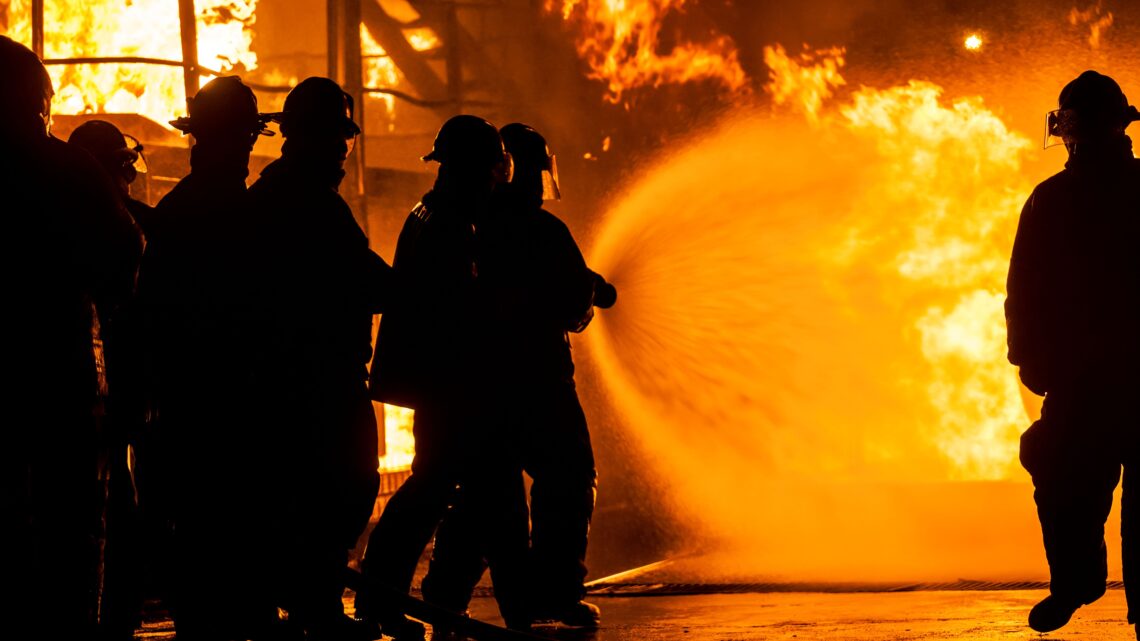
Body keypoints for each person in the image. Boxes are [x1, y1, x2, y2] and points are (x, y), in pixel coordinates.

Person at [421, 123, 616, 628]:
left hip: (478, 385)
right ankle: (556, 591)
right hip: (540, 383)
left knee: (486, 493)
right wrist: (590, 290)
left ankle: (444, 593)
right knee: (569, 479)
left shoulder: (469, 222)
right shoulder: (544, 230)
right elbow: (573, 308)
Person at [355, 115, 529, 638]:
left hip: (444, 383)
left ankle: (404, 597)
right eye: (493, 171)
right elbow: (461, 309)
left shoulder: (431, 214)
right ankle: (505, 608)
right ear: (476, 170)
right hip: (455, 385)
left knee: (440, 489)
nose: (498, 182)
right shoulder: (450, 225)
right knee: (475, 492)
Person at [0, 36, 141, 638]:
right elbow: (123, 256)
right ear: (38, 102)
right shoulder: (67, 170)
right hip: (58, 381)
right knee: (70, 532)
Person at [249, 76, 393, 639]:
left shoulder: (282, 194)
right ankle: (316, 607)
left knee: (311, 491)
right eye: (335, 135)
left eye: (345, 136)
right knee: (344, 484)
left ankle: (302, 600)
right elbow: (364, 279)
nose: (342, 147)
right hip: (318, 377)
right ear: (304, 135)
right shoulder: (307, 202)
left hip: (290, 376)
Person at [137, 75, 278, 640]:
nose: (247, 150)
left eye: (249, 138)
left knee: (213, 525)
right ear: (211, 142)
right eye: (240, 138)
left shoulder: (187, 210)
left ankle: (224, 615)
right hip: (214, 400)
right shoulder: (218, 214)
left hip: (203, 398)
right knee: (218, 522)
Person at [1007, 70, 1140, 635]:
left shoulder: (1052, 199)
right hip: (1091, 376)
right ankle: (1080, 583)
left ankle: (1076, 581)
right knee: (1062, 472)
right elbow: (1026, 286)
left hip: (1088, 379)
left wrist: (1030, 359)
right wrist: (1031, 357)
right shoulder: (1053, 198)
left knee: (1063, 477)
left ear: (1069, 129)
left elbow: (1023, 287)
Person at [68, 119, 157, 641]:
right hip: (122, 390)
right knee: (121, 509)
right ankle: (115, 623)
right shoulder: (132, 227)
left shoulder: (51, 222)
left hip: (82, 390)